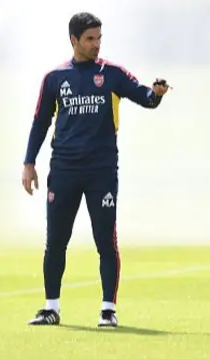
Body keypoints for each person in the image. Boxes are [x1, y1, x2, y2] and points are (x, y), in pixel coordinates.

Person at [22, 12, 170, 327]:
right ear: (73, 40)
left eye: (99, 38)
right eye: (89, 39)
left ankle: (108, 309)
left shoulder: (112, 74)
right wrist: (29, 162)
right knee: (56, 240)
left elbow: (144, 97)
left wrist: (155, 94)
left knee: (105, 240)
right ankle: (51, 307)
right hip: (63, 170)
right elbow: (40, 121)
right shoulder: (55, 78)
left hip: (101, 171)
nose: (96, 45)